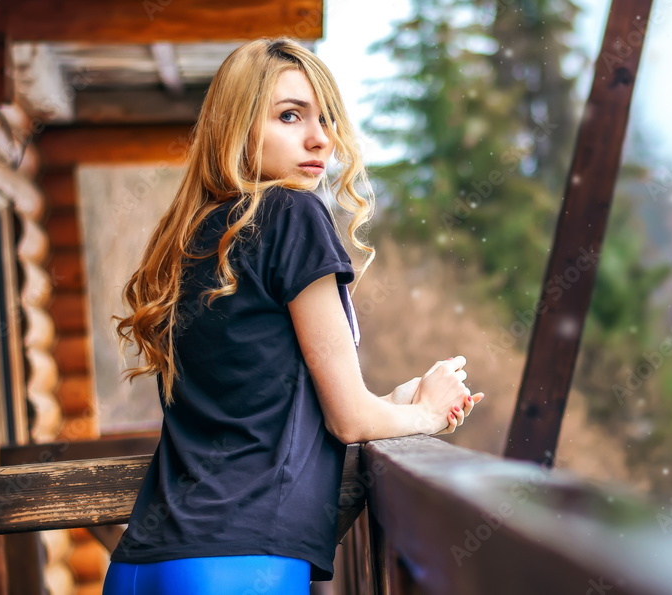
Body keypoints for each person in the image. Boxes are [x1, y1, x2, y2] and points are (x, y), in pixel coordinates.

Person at [103, 37, 485, 595]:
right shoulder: (291, 213)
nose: (320, 138)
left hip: (141, 565)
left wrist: (398, 403)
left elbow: (263, 406)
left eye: (326, 118)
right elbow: (348, 422)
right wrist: (427, 415)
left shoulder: (193, 235)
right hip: (239, 563)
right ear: (236, 127)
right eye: (289, 115)